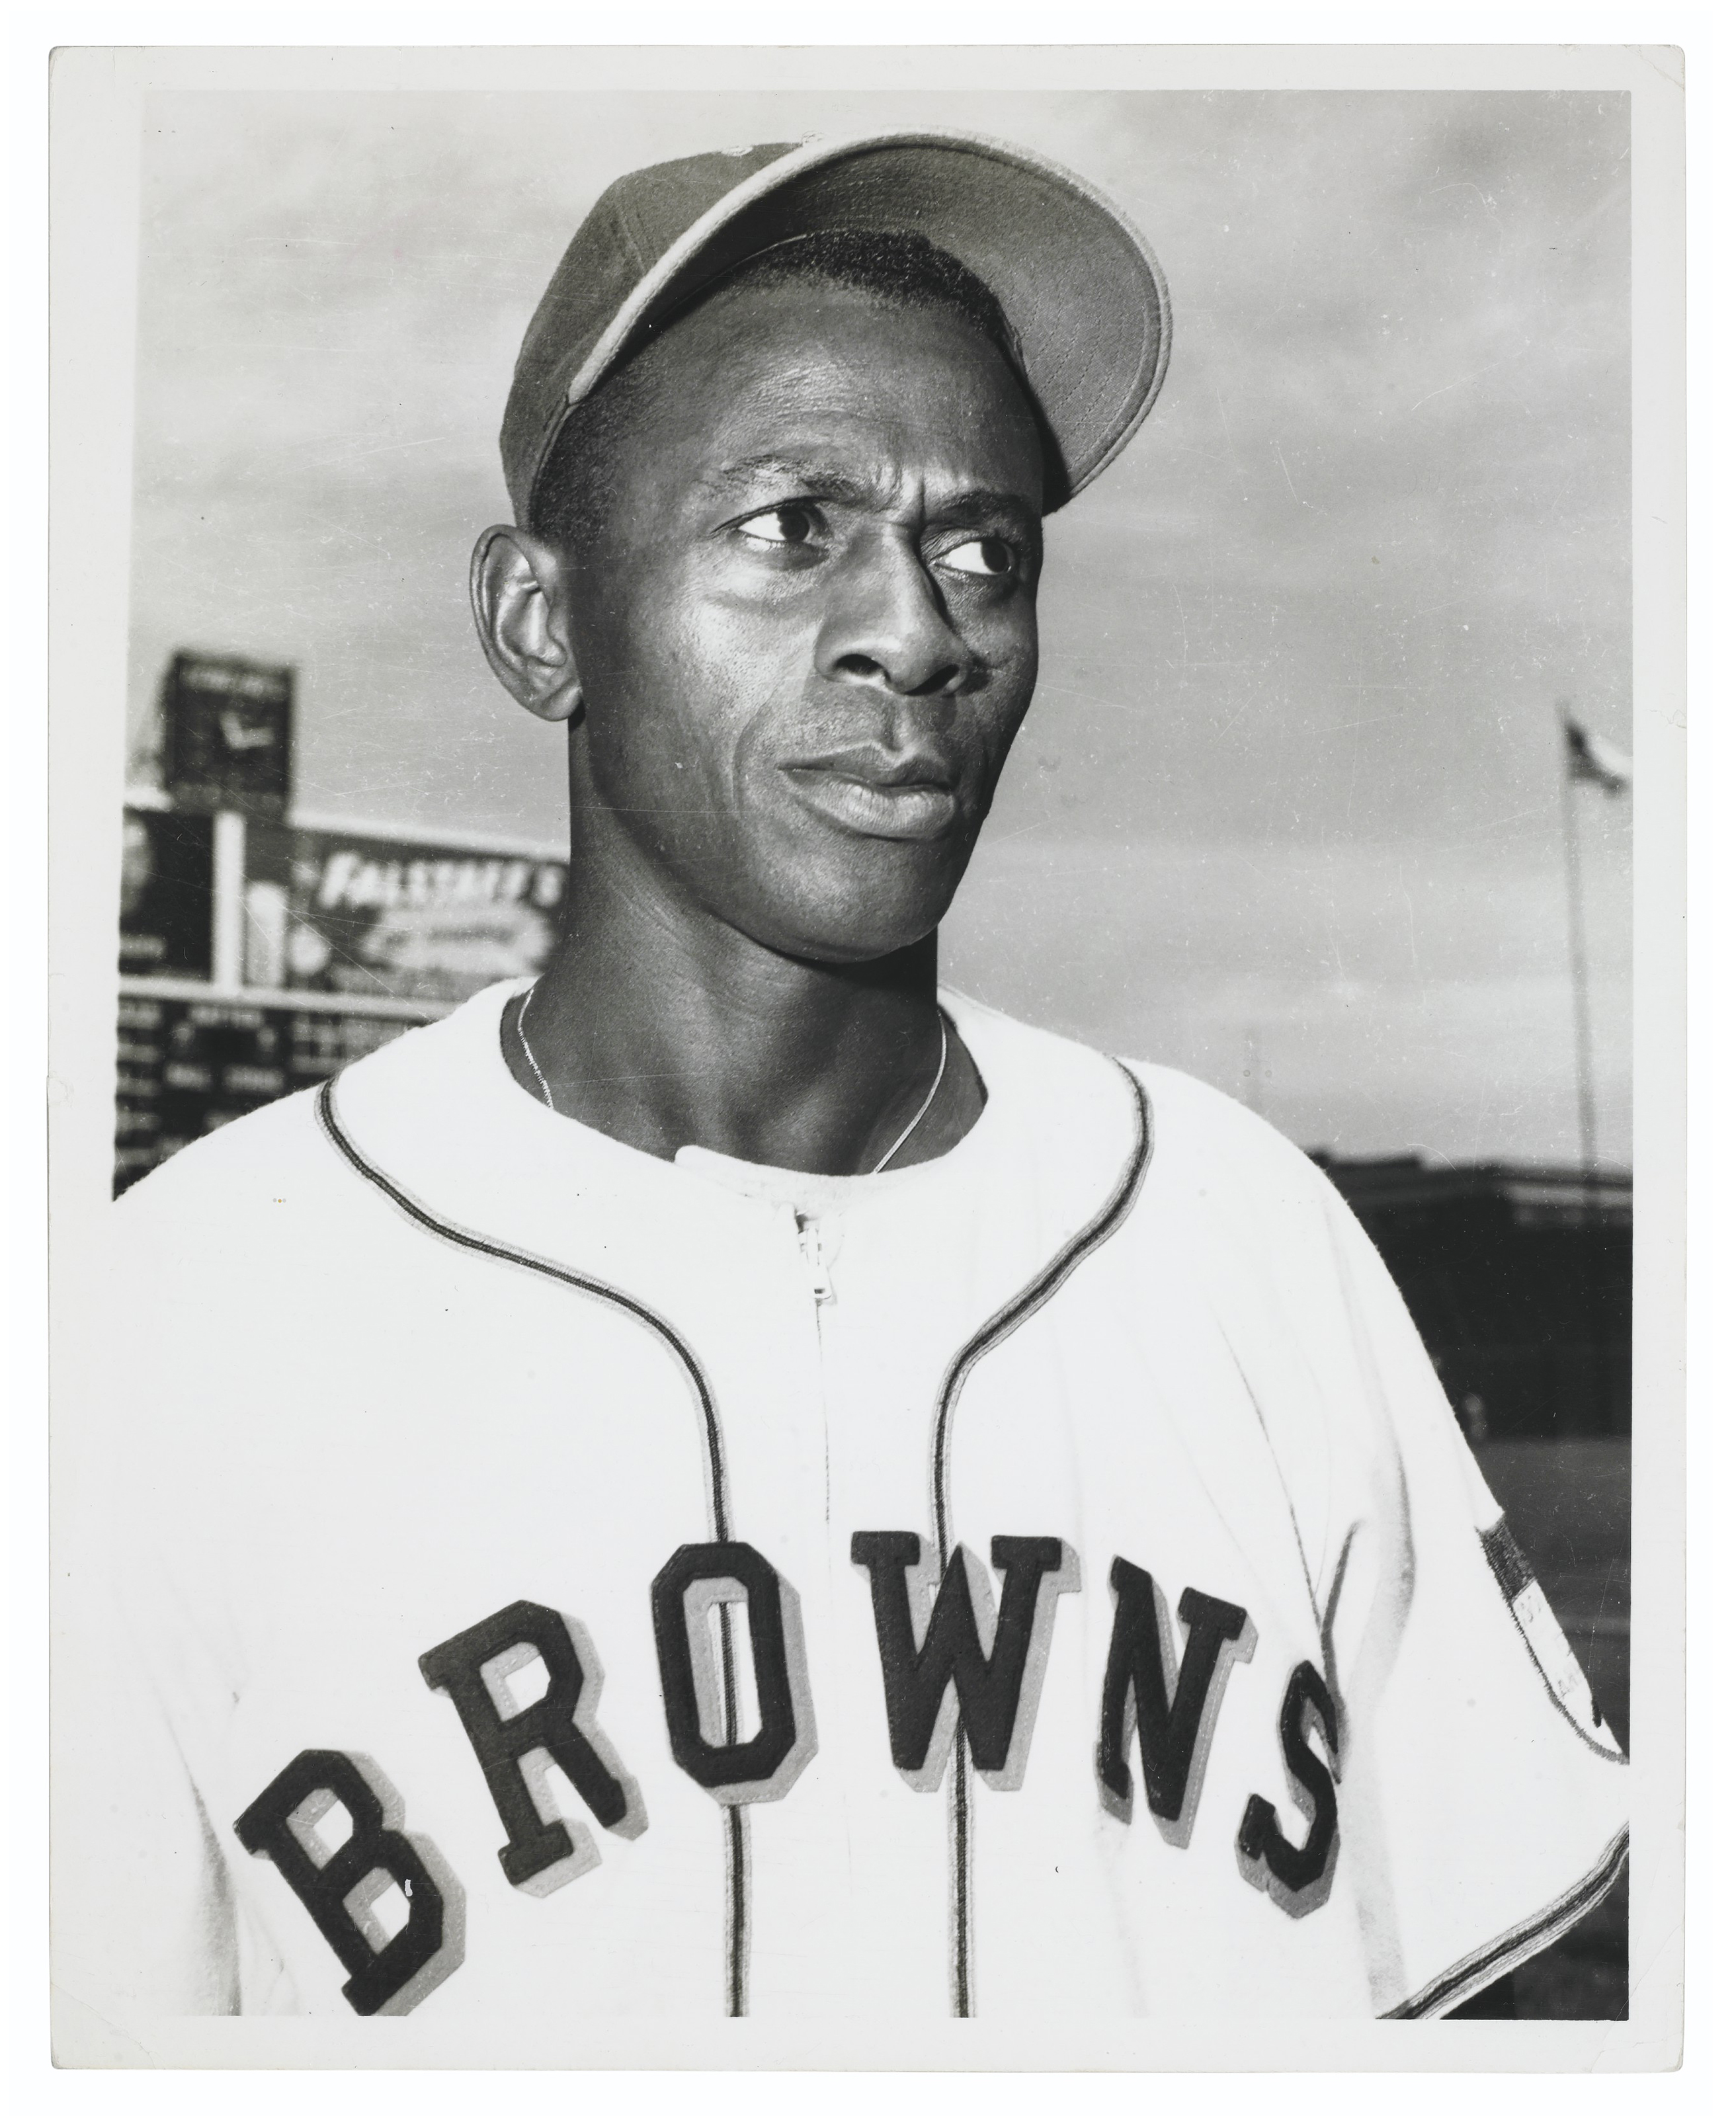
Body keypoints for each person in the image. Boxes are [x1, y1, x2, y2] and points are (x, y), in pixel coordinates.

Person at [57, 130, 1626, 2045]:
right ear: (539, 624)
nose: (918, 630)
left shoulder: (1239, 1234)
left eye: (983, 549)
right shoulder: (172, 1314)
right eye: (788, 526)